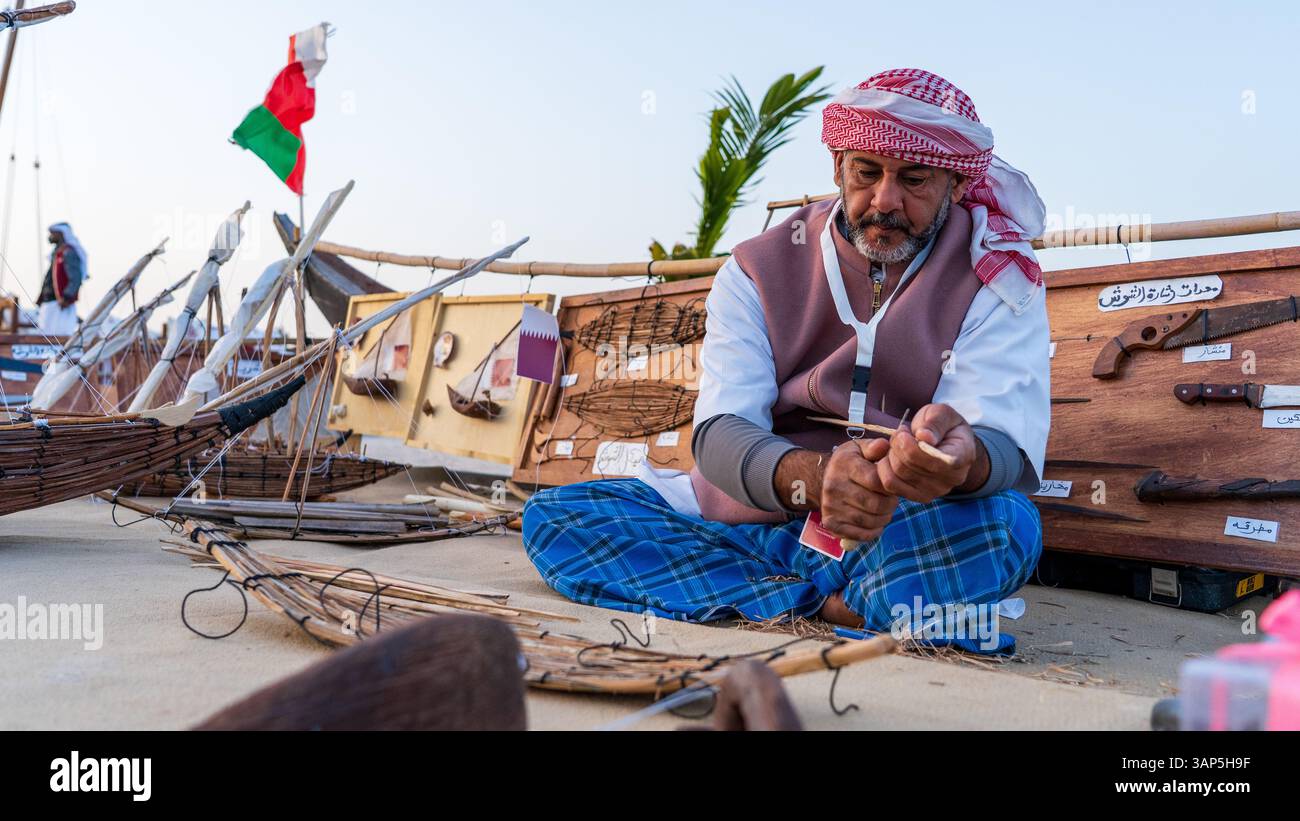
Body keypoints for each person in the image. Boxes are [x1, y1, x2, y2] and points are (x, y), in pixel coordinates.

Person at [522, 69, 1051, 637]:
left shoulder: (997, 276)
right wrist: (821, 480)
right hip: (756, 517)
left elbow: (1002, 444)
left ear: (955, 183)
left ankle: (772, 591)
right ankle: (832, 602)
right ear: (837, 168)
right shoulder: (757, 268)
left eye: (915, 179)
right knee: (559, 518)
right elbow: (723, 433)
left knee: (1006, 526)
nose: (884, 201)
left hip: (897, 524)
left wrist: (957, 459)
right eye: (865, 172)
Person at [36, 221, 86, 336]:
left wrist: (67, 297)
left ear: (61, 234)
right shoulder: (58, 253)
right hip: (50, 302)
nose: (50, 236)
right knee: (46, 335)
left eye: (53, 233)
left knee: (59, 335)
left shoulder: (68, 253)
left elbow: (76, 278)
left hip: (60, 303)